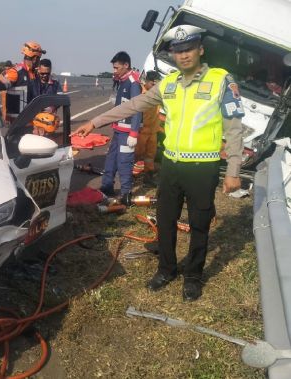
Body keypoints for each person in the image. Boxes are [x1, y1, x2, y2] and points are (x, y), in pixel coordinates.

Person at [71, 25, 244, 301]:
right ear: (173, 55)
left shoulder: (221, 80)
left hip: (203, 168)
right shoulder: (169, 84)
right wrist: (95, 121)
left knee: (199, 224)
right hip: (172, 167)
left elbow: (235, 129)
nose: (184, 55)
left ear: (200, 50)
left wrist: (234, 171)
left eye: (189, 49)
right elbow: (133, 105)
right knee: (165, 221)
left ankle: (193, 277)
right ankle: (166, 269)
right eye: (178, 51)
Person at [98, 51, 143, 203]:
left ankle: (126, 193)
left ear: (126, 65)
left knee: (124, 162)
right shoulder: (123, 80)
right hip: (118, 130)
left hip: (127, 132)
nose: (114, 71)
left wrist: (134, 133)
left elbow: (137, 108)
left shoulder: (133, 82)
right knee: (111, 159)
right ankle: (106, 187)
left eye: (117, 68)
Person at [0, 41, 46, 123]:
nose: (38, 61)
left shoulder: (34, 74)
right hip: (17, 123)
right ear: (34, 59)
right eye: (38, 59)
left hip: (32, 120)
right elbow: (0, 86)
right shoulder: (15, 72)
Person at [134, 70, 161, 180]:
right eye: (152, 83)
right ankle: (130, 175)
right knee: (136, 154)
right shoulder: (140, 94)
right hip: (142, 132)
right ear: (147, 81)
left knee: (150, 155)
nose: (154, 86)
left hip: (153, 131)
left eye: (156, 84)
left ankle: (148, 176)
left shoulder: (158, 94)